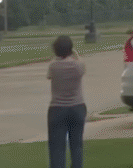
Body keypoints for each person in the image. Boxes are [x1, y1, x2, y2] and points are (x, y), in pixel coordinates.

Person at [47, 35, 86, 168]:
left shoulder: (53, 66)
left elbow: (49, 76)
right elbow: (81, 64)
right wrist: (75, 53)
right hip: (77, 107)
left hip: (57, 108)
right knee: (76, 146)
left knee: (57, 148)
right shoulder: (77, 66)